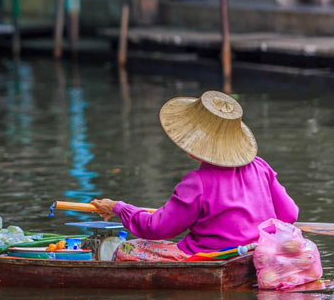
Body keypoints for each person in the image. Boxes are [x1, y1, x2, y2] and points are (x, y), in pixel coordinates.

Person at [88, 91, 299, 262]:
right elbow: (289, 214)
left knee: (126, 248)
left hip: (210, 258)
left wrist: (119, 208)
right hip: (256, 254)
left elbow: (157, 227)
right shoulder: (260, 166)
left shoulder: (197, 182)